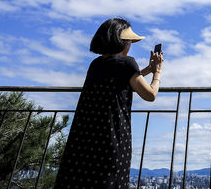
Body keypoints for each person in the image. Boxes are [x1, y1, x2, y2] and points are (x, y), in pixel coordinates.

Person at [54, 18, 164, 189]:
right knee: (110, 178)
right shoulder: (127, 63)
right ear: (123, 42)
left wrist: (145, 70)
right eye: (129, 41)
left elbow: (122, 79)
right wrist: (157, 73)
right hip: (111, 133)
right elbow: (150, 95)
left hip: (85, 135)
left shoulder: (96, 64)